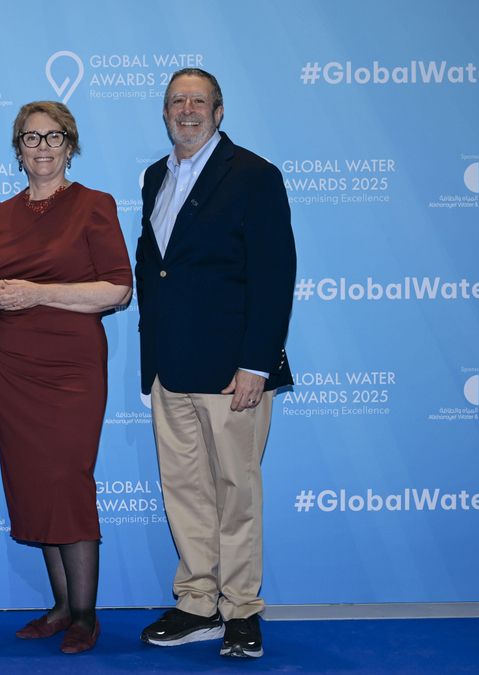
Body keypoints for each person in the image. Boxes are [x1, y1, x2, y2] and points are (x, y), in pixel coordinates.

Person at [135, 68, 295, 659]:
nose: (187, 109)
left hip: (233, 371)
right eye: (176, 100)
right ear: (165, 112)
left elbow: (275, 274)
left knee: (236, 492)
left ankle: (242, 610)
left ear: (219, 111)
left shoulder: (254, 175)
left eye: (198, 100)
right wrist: (150, 364)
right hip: (170, 368)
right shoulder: (155, 176)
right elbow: (156, 272)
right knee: (185, 491)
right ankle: (198, 603)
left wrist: (257, 363)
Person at [0, 101, 133, 655]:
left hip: (71, 366)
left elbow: (118, 289)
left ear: (71, 145)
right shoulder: (1, 213)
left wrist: (39, 293)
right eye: (30, 137)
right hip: (11, 365)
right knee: (35, 480)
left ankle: (86, 615)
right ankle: (62, 606)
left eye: (53, 136)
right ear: (17, 149)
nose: (42, 147)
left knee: (67, 478)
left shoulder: (94, 204)